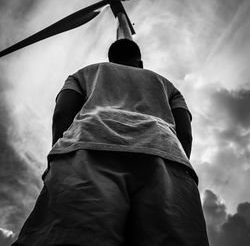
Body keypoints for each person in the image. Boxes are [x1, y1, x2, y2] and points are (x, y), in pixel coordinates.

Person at [13, 39, 209, 246]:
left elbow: (61, 114)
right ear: (139, 62)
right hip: (164, 154)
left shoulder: (84, 74)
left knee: (70, 236)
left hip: (89, 148)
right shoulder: (168, 86)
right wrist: (177, 160)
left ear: (110, 60)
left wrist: (61, 154)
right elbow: (185, 134)